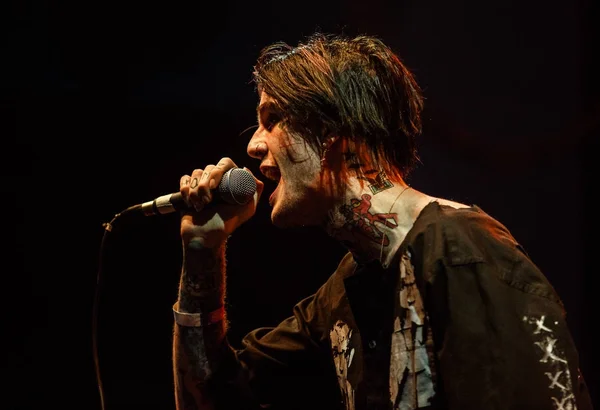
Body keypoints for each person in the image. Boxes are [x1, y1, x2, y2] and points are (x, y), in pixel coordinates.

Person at [170, 32, 593, 410]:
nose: (253, 145)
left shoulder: (461, 253)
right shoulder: (346, 289)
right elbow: (213, 399)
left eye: (272, 119)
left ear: (330, 128)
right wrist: (202, 250)